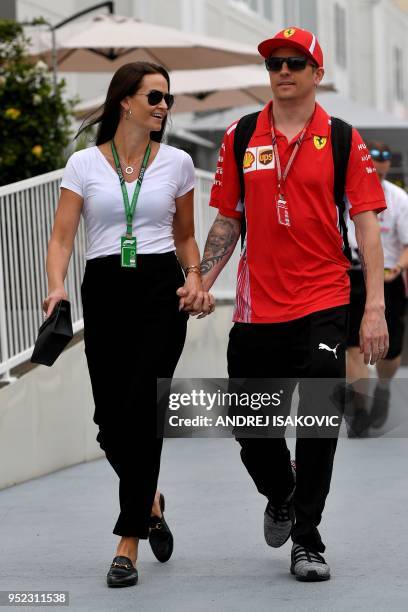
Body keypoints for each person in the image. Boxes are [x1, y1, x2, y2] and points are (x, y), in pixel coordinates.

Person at [197, 27, 388, 581]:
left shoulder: (344, 139)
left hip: (325, 300)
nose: (283, 71)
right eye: (275, 63)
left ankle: (307, 537)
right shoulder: (240, 137)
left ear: (316, 73)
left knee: (320, 418)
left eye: (296, 63)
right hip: (258, 310)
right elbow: (228, 219)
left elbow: (367, 226)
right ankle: (281, 493)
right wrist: (204, 278)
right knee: (253, 428)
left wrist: (373, 307)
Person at [43, 61, 214, 588]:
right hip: (106, 290)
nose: (165, 106)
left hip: (162, 290)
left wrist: (195, 278)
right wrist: (56, 285)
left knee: (142, 408)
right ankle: (151, 499)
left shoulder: (180, 163)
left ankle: (127, 539)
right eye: (156, 97)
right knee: (109, 420)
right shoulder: (84, 165)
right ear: (126, 102)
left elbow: (186, 236)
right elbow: (62, 237)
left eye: (168, 99)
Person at [346, 141, 408, 434]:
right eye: (374, 156)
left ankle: (382, 388)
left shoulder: (399, 198)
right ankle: (360, 410)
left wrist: (398, 267)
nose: (379, 162)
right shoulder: (344, 193)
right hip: (352, 276)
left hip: (388, 278)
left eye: (386, 157)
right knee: (353, 348)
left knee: (391, 351)